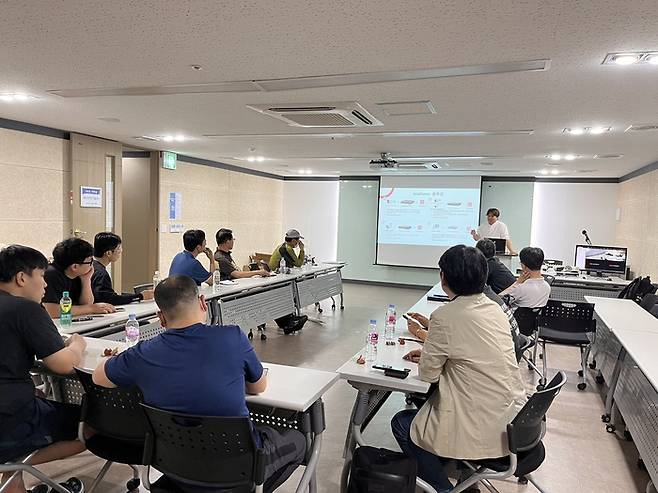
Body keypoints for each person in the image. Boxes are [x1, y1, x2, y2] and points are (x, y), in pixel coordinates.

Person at [92, 275, 305, 493]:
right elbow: (258, 387)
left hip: (175, 465)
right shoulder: (233, 337)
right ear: (203, 303)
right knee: (300, 440)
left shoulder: (142, 354)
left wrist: (112, 359)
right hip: (236, 468)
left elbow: (98, 377)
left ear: (160, 318)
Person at [391, 245, 526, 493]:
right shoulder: (493, 308)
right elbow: (472, 349)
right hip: (515, 423)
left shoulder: (446, 315)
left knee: (402, 423)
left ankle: (444, 489)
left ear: (444, 278)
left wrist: (433, 353)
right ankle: (450, 465)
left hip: (482, 427)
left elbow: (428, 375)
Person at [0, 245, 86, 493]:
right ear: (21, 278)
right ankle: (11, 468)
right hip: (12, 417)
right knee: (90, 425)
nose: (46, 285)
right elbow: (63, 364)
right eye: (41, 276)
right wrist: (77, 345)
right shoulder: (25, 309)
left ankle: (13, 485)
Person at [42, 237, 116, 318]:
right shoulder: (51, 274)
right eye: (90, 262)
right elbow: (50, 310)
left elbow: (86, 303)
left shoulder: (79, 274)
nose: (92, 265)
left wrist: (86, 281)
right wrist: (91, 308)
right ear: (74, 267)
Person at [92, 232, 154, 305]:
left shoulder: (93, 266)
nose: (121, 251)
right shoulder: (101, 273)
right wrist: (141, 296)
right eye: (118, 248)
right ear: (108, 253)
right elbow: (110, 299)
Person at [267, 230, 308, 334]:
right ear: (293, 240)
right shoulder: (287, 249)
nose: (298, 243)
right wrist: (302, 250)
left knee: (289, 294)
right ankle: (288, 322)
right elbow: (298, 263)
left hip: (278, 276)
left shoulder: (285, 246)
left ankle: (291, 319)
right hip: (275, 278)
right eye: (298, 241)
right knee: (285, 296)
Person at [500, 246, 551, 311]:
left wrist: (517, 282)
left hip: (513, 320)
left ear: (523, 266)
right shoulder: (547, 287)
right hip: (533, 321)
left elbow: (498, 301)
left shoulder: (520, 288)